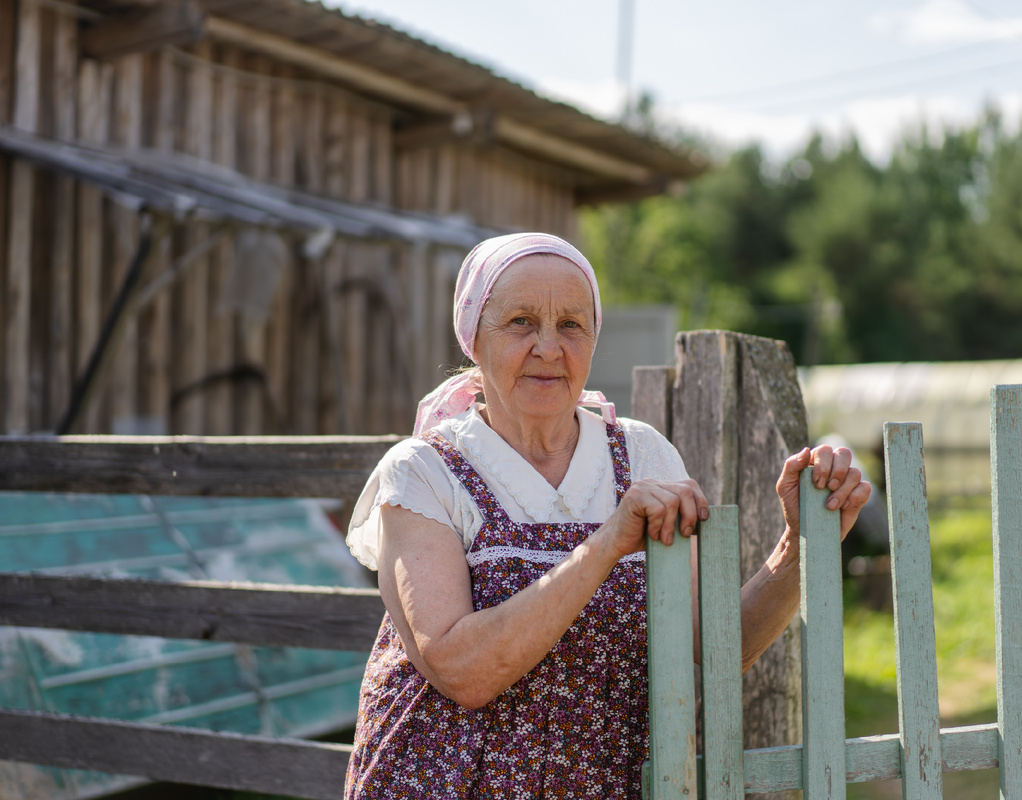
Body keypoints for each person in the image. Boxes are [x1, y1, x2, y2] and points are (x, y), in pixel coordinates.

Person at [342, 232, 871, 799]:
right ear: (474, 337)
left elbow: (704, 653)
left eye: (571, 324)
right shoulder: (424, 471)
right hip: (445, 782)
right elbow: (460, 669)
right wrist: (607, 543)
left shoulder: (642, 456)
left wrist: (801, 547)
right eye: (521, 321)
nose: (548, 346)